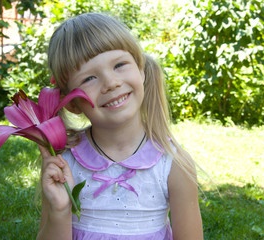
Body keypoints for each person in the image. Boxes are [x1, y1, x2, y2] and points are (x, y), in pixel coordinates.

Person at [37, 13, 203, 240]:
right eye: (88, 79)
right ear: (72, 104)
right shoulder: (64, 164)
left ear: (141, 70)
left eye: (120, 65)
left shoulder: (173, 165)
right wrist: (59, 210)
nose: (111, 83)